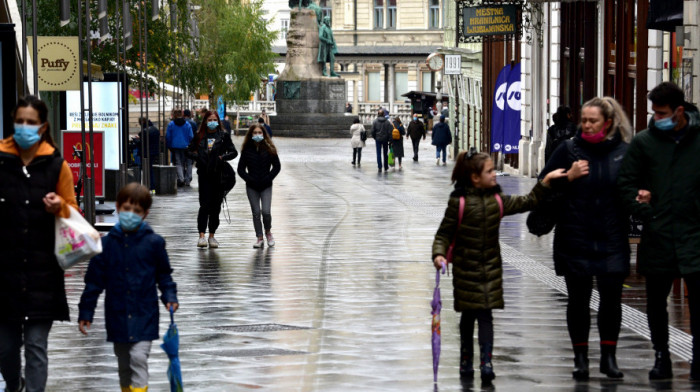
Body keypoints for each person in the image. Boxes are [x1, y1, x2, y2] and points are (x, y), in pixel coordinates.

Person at [432, 149, 566, 383]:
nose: (495, 174)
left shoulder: (498, 200)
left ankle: (486, 362)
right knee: (467, 318)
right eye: (490, 171)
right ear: (475, 177)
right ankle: (466, 360)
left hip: (491, 271)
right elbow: (444, 233)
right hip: (465, 271)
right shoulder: (459, 202)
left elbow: (528, 201)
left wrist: (545, 182)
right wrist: (439, 255)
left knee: (485, 317)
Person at [540, 96, 633, 381]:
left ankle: (609, 357)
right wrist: (569, 176)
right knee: (578, 301)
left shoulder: (624, 153)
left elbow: (635, 187)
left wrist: (642, 195)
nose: (587, 125)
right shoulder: (568, 150)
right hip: (575, 235)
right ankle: (580, 358)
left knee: (611, 301)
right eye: (584, 120)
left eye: (593, 121)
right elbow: (543, 185)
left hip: (612, 237)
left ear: (608, 123)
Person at [617, 81, 700, 381]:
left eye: (662, 113)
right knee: (655, 302)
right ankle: (661, 355)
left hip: (694, 234)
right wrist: (644, 209)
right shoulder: (644, 142)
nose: (656, 118)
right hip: (659, 233)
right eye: (654, 112)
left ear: (679, 111)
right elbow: (625, 184)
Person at [0, 96, 78, 392]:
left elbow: (73, 213)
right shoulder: (1, 160)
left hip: (42, 273)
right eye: (20, 121)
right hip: (4, 273)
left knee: (35, 346)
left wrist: (59, 206)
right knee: (5, 349)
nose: (24, 127)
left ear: (43, 126)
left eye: (31, 122)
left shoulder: (57, 166)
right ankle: (13, 384)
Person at [78, 183, 178, 392]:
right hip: (117, 315)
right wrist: (86, 311)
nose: (130, 214)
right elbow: (94, 282)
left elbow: (164, 275)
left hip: (144, 314)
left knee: (138, 358)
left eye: (137, 211)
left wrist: (169, 296)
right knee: (124, 364)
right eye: (126, 209)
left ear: (145, 214)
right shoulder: (105, 246)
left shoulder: (154, 243)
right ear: (117, 207)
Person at [187, 111, 238, 248]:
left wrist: (222, 158)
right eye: (209, 119)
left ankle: (212, 235)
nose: (212, 121)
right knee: (204, 205)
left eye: (214, 119)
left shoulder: (223, 136)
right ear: (205, 121)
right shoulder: (199, 136)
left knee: (216, 207)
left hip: (219, 175)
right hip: (204, 174)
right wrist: (198, 157)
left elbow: (233, 152)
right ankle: (201, 235)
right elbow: (189, 151)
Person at [237, 124, 281, 248]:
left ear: (264, 134)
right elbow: (240, 170)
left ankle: (268, 232)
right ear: (251, 135)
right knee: (256, 212)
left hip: (266, 185)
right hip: (252, 186)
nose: (257, 135)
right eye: (255, 133)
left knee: (266, 212)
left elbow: (277, 166)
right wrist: (249, 179)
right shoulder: (246, 150)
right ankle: (259, 237)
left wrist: (269, 178)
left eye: (259, 133)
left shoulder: (269, 148)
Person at [166, 109, 194, 187]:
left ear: (174, 115)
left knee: (179, 163)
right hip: (186, 146)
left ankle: (181, 179)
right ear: (181, 115)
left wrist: (169, 145)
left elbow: (168, 136)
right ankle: (188, 180)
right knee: (188, 163)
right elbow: (191, 136)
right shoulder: (187, 124)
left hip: (175, 146)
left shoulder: (171, 124)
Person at [138, 118, 160, 191]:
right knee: (150, 169)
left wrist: (136, 139)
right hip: (154, 152)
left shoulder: (144, 131)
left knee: (147, 169)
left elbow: (141, 143)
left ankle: (150, 185)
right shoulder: (155, 129)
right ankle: (151, 185)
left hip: (146, 152)